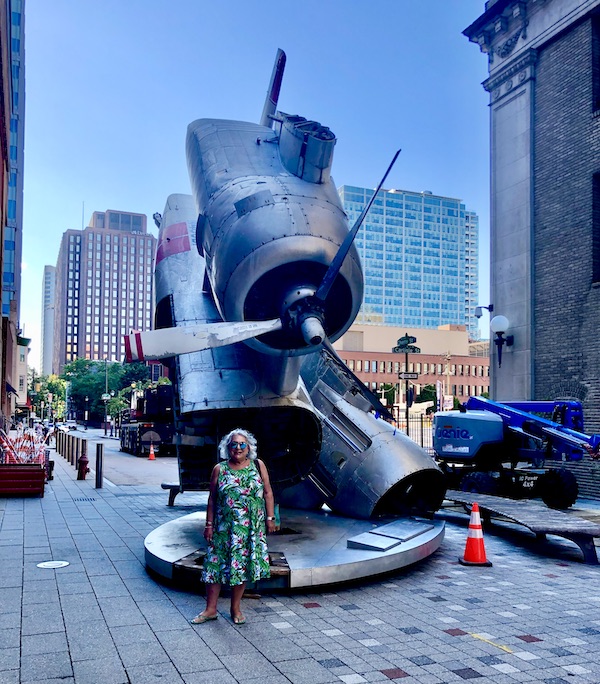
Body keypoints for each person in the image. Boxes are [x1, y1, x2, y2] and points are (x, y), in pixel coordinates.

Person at [191, 428, 277, 625]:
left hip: (249, 529)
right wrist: (209, 525)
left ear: (249, 448)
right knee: (215, 566)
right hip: (223, 528)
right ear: (227, 448)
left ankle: (235, 608)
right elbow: (212, 499)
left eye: (242, 444)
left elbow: (268, 493)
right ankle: (210, 609)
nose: (238, 448)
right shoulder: (219, 469)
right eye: (233, 445)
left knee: (242, 566)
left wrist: (270, 518)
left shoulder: (258, 465)